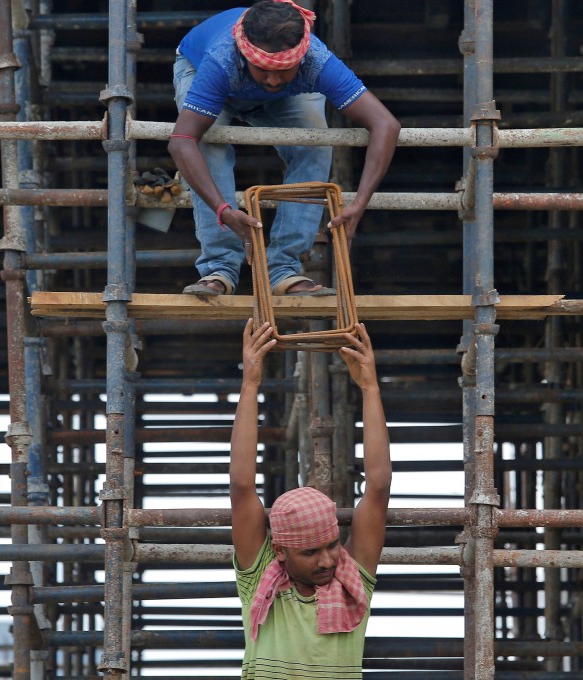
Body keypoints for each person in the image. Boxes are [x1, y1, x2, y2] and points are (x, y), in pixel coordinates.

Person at [169, 0, 400, 297]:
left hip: (282, 97)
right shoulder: (221, 60)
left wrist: (359, 204)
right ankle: (219, 269)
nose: (274, 80)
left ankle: (284, 270)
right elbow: (182, 141)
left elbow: (386, 125)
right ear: (244, 53)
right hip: (201, 70)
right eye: (263, 69)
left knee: (315, 143)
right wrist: (223, 210)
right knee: (207, 144)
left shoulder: (316, 60)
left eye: (285, 69)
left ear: (301, 58)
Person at [230, 320, 392, 678]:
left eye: (332, 545)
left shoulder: (351, 581)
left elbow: (378, 486)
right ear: (280, 551)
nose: (327, 560)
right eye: (310, 552)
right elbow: (242, 486)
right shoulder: (261, 582)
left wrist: (369, 387)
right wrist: (251, 382)